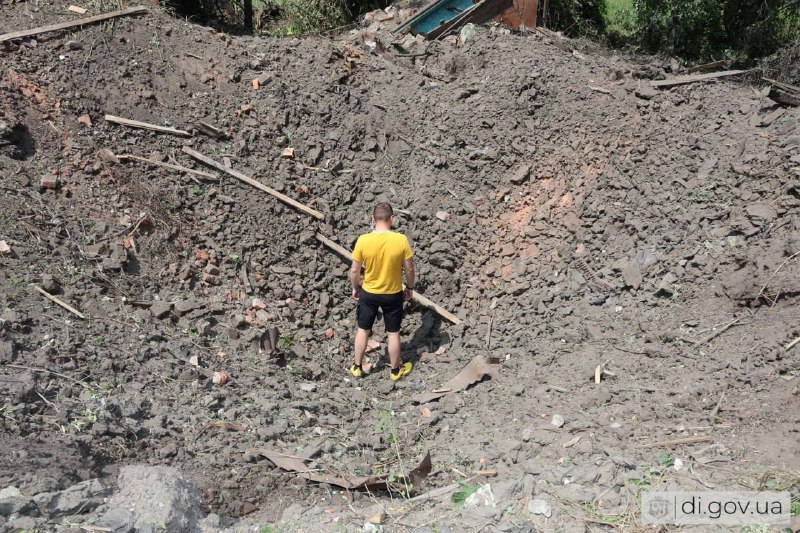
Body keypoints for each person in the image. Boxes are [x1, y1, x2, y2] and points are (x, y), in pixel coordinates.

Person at [349, 202, 415, 381]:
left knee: (363, 329)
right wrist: (410, 287)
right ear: (392, 218)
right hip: (392, 294)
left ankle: (357, 367)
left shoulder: (363, 240)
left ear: (373, 219)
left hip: (369, 293)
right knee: (393, 333)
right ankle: (395, 371)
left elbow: (354, 270)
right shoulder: (401, 240)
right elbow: (409, 269)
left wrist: (355, 287)